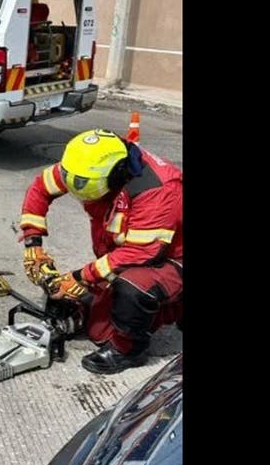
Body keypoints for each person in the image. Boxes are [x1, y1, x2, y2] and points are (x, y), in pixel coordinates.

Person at [19, 128, 182, 375]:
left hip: (170, 257)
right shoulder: (87, 164)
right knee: (97, 331)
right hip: (134, 254)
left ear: (116, 175)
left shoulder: (157, 190)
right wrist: (33, 243)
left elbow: (139, 254)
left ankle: (128, 350)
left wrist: (81, 277)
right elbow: (41, 189)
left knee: (133, 288)